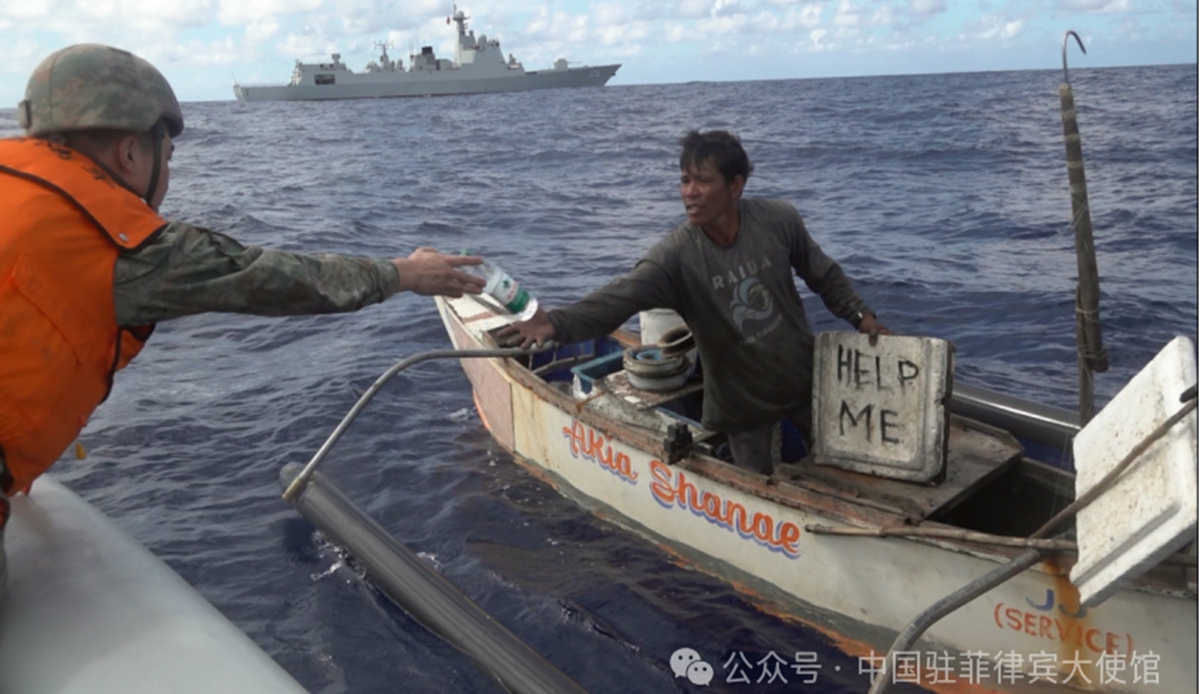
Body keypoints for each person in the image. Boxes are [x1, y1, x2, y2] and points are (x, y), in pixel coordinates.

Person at [0, 43, 485, 500]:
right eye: (166, 157)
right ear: (130, 154)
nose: (168, 175)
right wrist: (406, 273)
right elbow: (275, 278)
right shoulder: (119, 246)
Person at [502, 129, 891, 475]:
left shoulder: (778, 219)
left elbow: (822, 273)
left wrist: (861, 316)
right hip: (741, 403)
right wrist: (553, 323)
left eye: (702, 181)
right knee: (754, 487)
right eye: (685, 180)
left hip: (801, 380)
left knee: (844, 469)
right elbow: (617, 299)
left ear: (735, 185)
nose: (689, 191)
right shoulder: (675, 257)